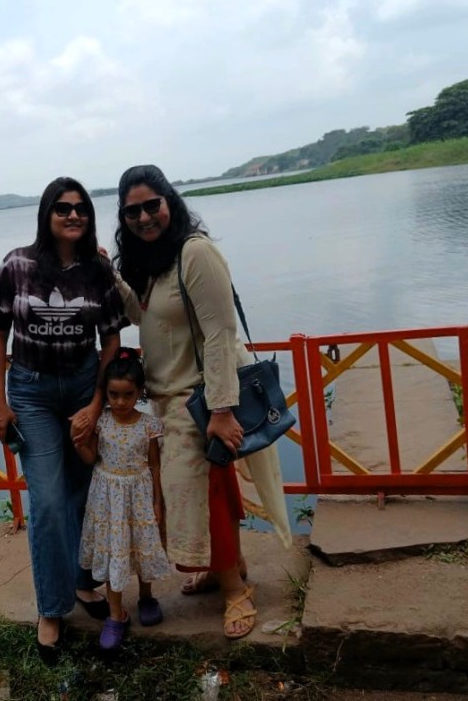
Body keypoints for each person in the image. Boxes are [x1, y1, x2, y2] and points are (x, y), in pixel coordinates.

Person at [108, 164, 292, 640]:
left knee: (199, 497)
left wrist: (223, 410)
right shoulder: (155, 263)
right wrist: (110, 275)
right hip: (171, 402)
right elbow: (147, 319)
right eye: (133, 211)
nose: (144, 217)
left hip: (202, 399)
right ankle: (223, 568)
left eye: (152, 205)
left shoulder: (195, 252)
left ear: (170, 201)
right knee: (208, 491)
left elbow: (219, 334)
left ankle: (235, 591)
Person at [0, 177, 127, 659]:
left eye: (81, 208)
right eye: (62, 208)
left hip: (84, 387)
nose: (73, 215)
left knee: (85, 493)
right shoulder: (17, 265)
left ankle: (86, 583)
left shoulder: (97, 271)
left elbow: (111, 340)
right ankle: (51, 607)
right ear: (46, 215)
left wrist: (96, 404)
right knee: (47, 500)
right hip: (31, 392)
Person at [75, 347, 171, 650]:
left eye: (127, 395)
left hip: (140, 494)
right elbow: (91, 457)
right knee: (112, 550)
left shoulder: (148, 425)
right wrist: (76, 442)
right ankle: (116, 614)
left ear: (139, 392)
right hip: (107, 498)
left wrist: (157, 501)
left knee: (141, 546)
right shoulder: (101, 422)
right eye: (113, 395)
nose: (119, 402)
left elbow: (154, 464)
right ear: (105, 394)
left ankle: (146, 596)